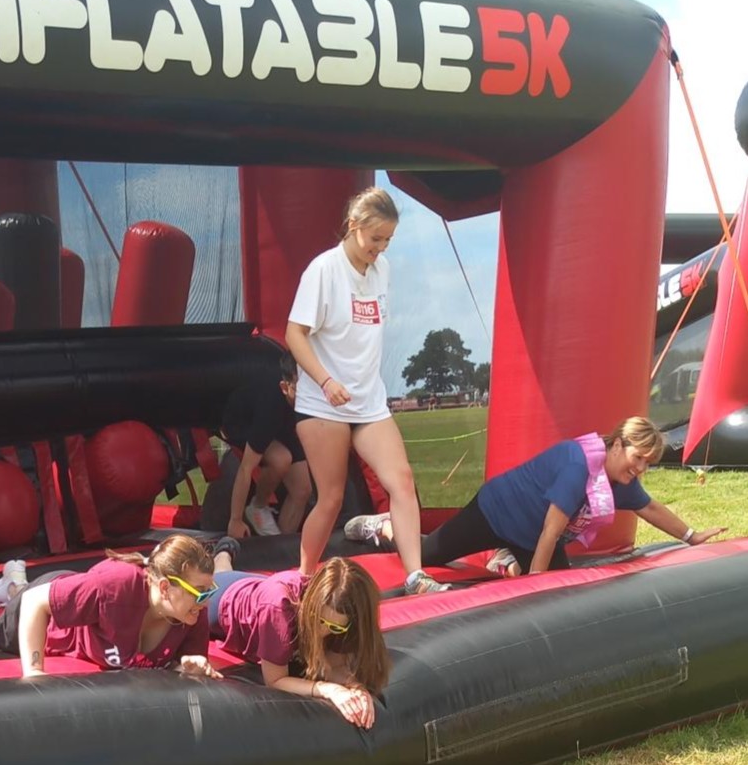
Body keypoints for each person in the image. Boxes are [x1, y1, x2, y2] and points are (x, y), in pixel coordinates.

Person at [286, 186, 447, 595]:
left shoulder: (383, 270)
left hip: (368, 401)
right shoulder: (323, 270)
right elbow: (294, 333)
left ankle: (416, 576)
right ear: (354, 226)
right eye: (376, 239)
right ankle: (302, 581)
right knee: (332, 498)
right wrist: (325, 380)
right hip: (324, 403)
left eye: (388, 240)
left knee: (402, 480)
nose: (381, 247)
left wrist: (358, 386)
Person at [344, 417, 726, 576]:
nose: (641, 468)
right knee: (427, 555)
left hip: (528, 534)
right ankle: (385, 527)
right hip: (497, 511)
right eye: (638, 458)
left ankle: (507, 558)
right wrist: (535, 586)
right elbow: (550, 532)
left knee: (561, 581)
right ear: (617, 444)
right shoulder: (580, 465)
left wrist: (692, 536)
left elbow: (651, 508)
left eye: (648, 464)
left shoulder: (622, 479)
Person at [0, 535, 223, 679]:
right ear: (165, 588)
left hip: (74, 596)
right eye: (200, 592)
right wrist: (34, 672)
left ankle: (11, 583)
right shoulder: (117, 586)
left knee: (20, 593)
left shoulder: (190, 616)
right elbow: (35, 604)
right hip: (48, 600)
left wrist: (188, 667)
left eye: (209, 592)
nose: (206, 600)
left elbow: (181, 666)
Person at [208, 546, 389, 729]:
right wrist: (327, 690)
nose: (321, 630)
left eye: (334, 627)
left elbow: (335, 666)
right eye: (318, 619)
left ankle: (224, 556)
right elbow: (275, 680)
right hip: (225, 597)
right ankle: (223, 552)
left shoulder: (344, 614)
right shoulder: (278, 609)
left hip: (263, 585)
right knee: (214, 578)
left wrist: (356, 688)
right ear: (311, 603)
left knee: (230, 573)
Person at [221, 350, 312, 539]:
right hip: (241, 421)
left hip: (282, 422)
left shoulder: (308, 401)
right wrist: (235, 520)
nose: (308, 396)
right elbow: (246, 469)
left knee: (303, 489)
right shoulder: (269, 409)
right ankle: (258, 506)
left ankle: (281, 544)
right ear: (286, 387)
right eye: (301, 390)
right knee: (281, 459)